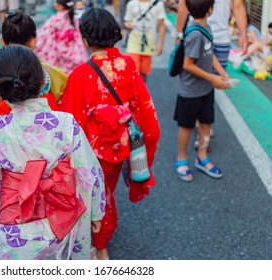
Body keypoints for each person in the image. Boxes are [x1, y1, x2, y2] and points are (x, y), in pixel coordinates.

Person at [0, 45, 105, 260]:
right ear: (42, 79)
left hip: (14, 227)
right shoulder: (64, 123)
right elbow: (89, 171)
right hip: (58, 221)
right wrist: (96, 211)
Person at [59, 8, 160, 260]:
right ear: (115, 34)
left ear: (85, 40)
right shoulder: (127, 64)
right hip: (120, 147)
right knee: (107, 192)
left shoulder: (81, 74)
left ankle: (95, 244)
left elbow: (70, 120)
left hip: (91, 151)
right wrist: (147, 144)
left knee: (89, 195)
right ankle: (101, 242)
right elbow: (146, 110)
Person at [174, 0, 229, 182]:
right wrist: (213, 78)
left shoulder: (206, 28)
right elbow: (188, 65)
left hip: (205, 90)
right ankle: (181, 159)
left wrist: (221, 72)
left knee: (206, 123)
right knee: (187, 127)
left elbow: (209, 52)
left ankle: (202, 156)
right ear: (211, 10)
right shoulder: (195, 34)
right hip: (190, 92)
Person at [0, 10, 68, 114]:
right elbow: (62, 87)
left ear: (2, 42)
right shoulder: (47, 70)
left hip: (4, 123)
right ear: (33, 41)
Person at [176, 0, 248, 69]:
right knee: (194, 76)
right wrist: (179, 34)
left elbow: (238, 6)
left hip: (221, 38)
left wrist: (243, 33)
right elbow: (184, 3)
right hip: (197, 34)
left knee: (219, 77)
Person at [35, 0, 88, 74]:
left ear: (60, 6)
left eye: (56, 2)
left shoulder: (54, 20)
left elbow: (42, 38)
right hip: (73, 55)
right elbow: (79, 39)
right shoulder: (74, 19)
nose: (55, 4)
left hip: (58, 57)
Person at [124, 0, 166, 81]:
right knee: (133, 70)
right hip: (133, 42)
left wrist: (160, 44)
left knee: (143, 72)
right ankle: (134, 93)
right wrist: (127, 25)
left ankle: (141, 92)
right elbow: (127, 21)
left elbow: (162, 25)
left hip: (148, 44)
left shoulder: (158, 4)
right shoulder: (132, 4)